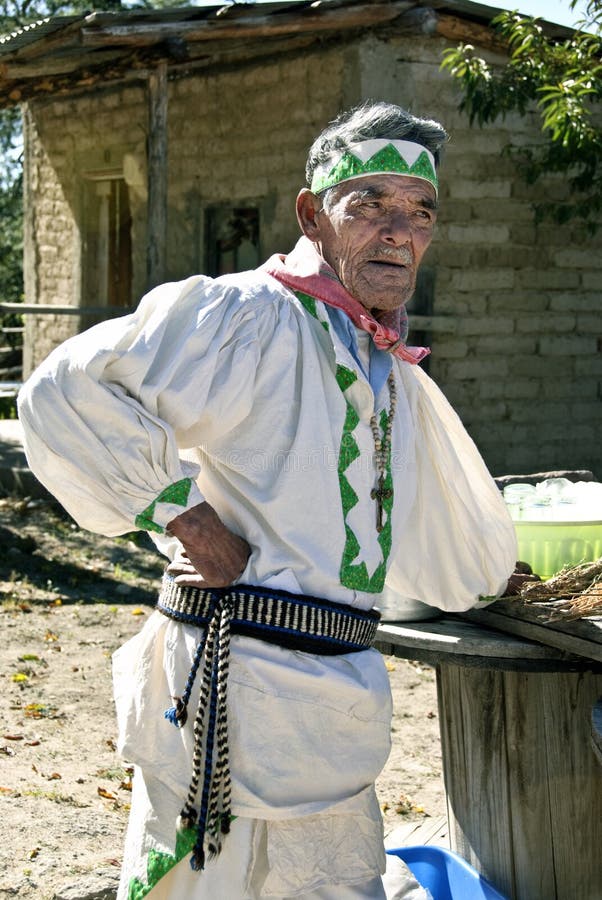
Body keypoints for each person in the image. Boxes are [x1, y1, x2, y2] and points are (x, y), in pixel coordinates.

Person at [18, 101, 517, 899]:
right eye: (372, 207)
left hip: (333, 701)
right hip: (234, 694)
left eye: (420, 213)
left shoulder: (374, 349)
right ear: (312, 215)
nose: (399, 231)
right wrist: (184, 516)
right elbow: (65, 391)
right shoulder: (254, 315)